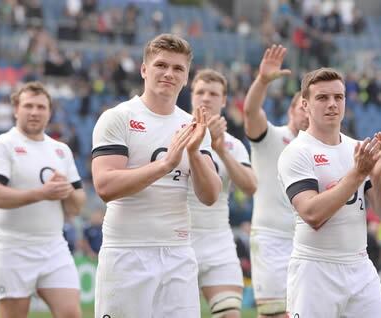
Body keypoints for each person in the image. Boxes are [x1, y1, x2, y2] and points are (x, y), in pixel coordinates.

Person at [91, 33, 221, 317]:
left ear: (187, 77)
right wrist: (164, 165)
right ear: (144, 69)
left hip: (178, 252)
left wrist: (196, 154)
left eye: (178, 68)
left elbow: (210, 195)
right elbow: (104, 185)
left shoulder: (194, 125)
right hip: (127, 251)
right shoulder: (118, 117)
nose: (169, 74)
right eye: (161, 65)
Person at [277, 67, 381, 317]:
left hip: (359, 265)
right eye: (322, 98)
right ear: (305, 104)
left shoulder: (356, 148)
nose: (332, 104)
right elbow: (312, 214)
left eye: (338, 97)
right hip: (315, 269)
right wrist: (357, 174)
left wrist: (376, 177)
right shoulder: (297, 152)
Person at [0, 81, 86, 318]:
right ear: (16, 109)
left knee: (71, 314)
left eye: (41, 107)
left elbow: (78, 205)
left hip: (53, 245)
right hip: (13, 246)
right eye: (28, 106)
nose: (35, 112)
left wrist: (66, 191)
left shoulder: (61, 150)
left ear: (50, 112)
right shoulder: (3, 146)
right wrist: (42, 193)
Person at [242, 44, 308, 317]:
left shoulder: (320, 152)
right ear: (291, 111)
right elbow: (250, 112)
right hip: (271, 239)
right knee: (274, 314)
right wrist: (263, 81)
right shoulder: (272, 138)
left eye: (310, 105)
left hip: (307, 241)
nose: (306, 111)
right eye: (301, 106)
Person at [188, 69, 257, 318]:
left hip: (217, 239)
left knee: (229, 314)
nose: (206, 98)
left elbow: (250, 186)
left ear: (224, 100)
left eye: (213, 93)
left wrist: (221, 150)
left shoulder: (232, 144)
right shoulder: (173, 132)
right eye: (200, 92)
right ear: (191, 95)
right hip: (177, 238)